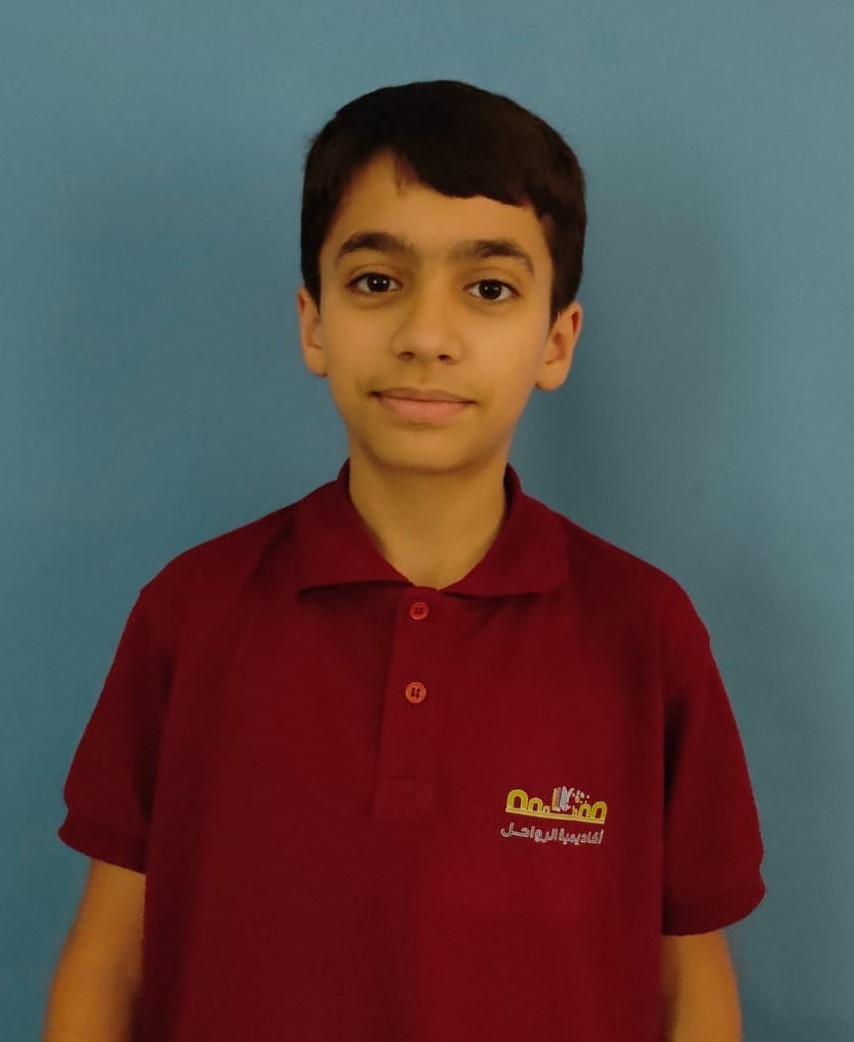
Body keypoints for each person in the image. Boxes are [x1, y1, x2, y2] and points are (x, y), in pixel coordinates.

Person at [43, 79, 765, 1042]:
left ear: (557, 341)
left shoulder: (645, 630)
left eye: (489, 289)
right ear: (314, 323)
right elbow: (109, 962)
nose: (426, 337)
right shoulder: (193, 608)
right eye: (377, 282)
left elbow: (691, 982)